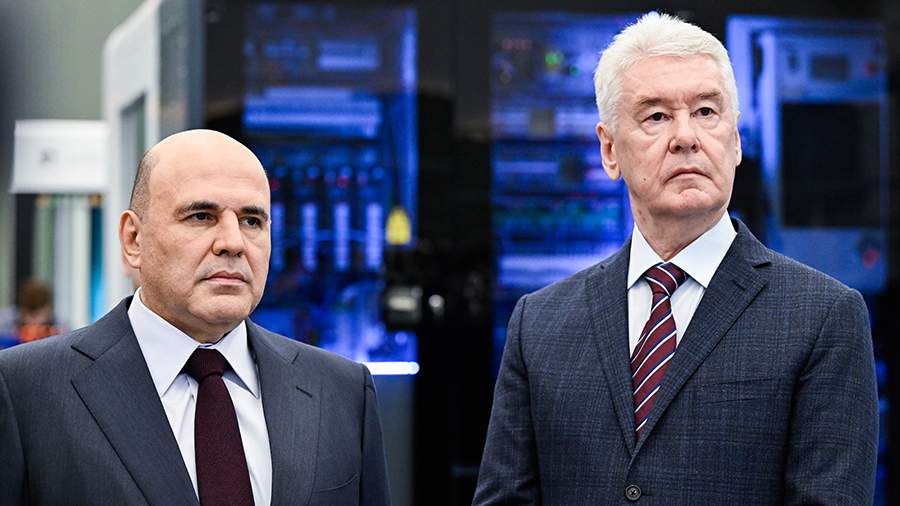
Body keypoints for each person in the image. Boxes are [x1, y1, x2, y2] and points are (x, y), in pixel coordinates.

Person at [474, 12, 877, 504]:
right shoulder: (539, 324)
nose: (686, 136)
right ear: (609, 150)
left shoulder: (823, 317)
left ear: (735, 141)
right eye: (656, 116)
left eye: (706, 112)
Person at [0, 130, 390, 505]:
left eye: (252, 221)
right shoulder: (25, 391)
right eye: (201, 216)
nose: (233, 242)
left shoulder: (342, 392)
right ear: (133, 239)